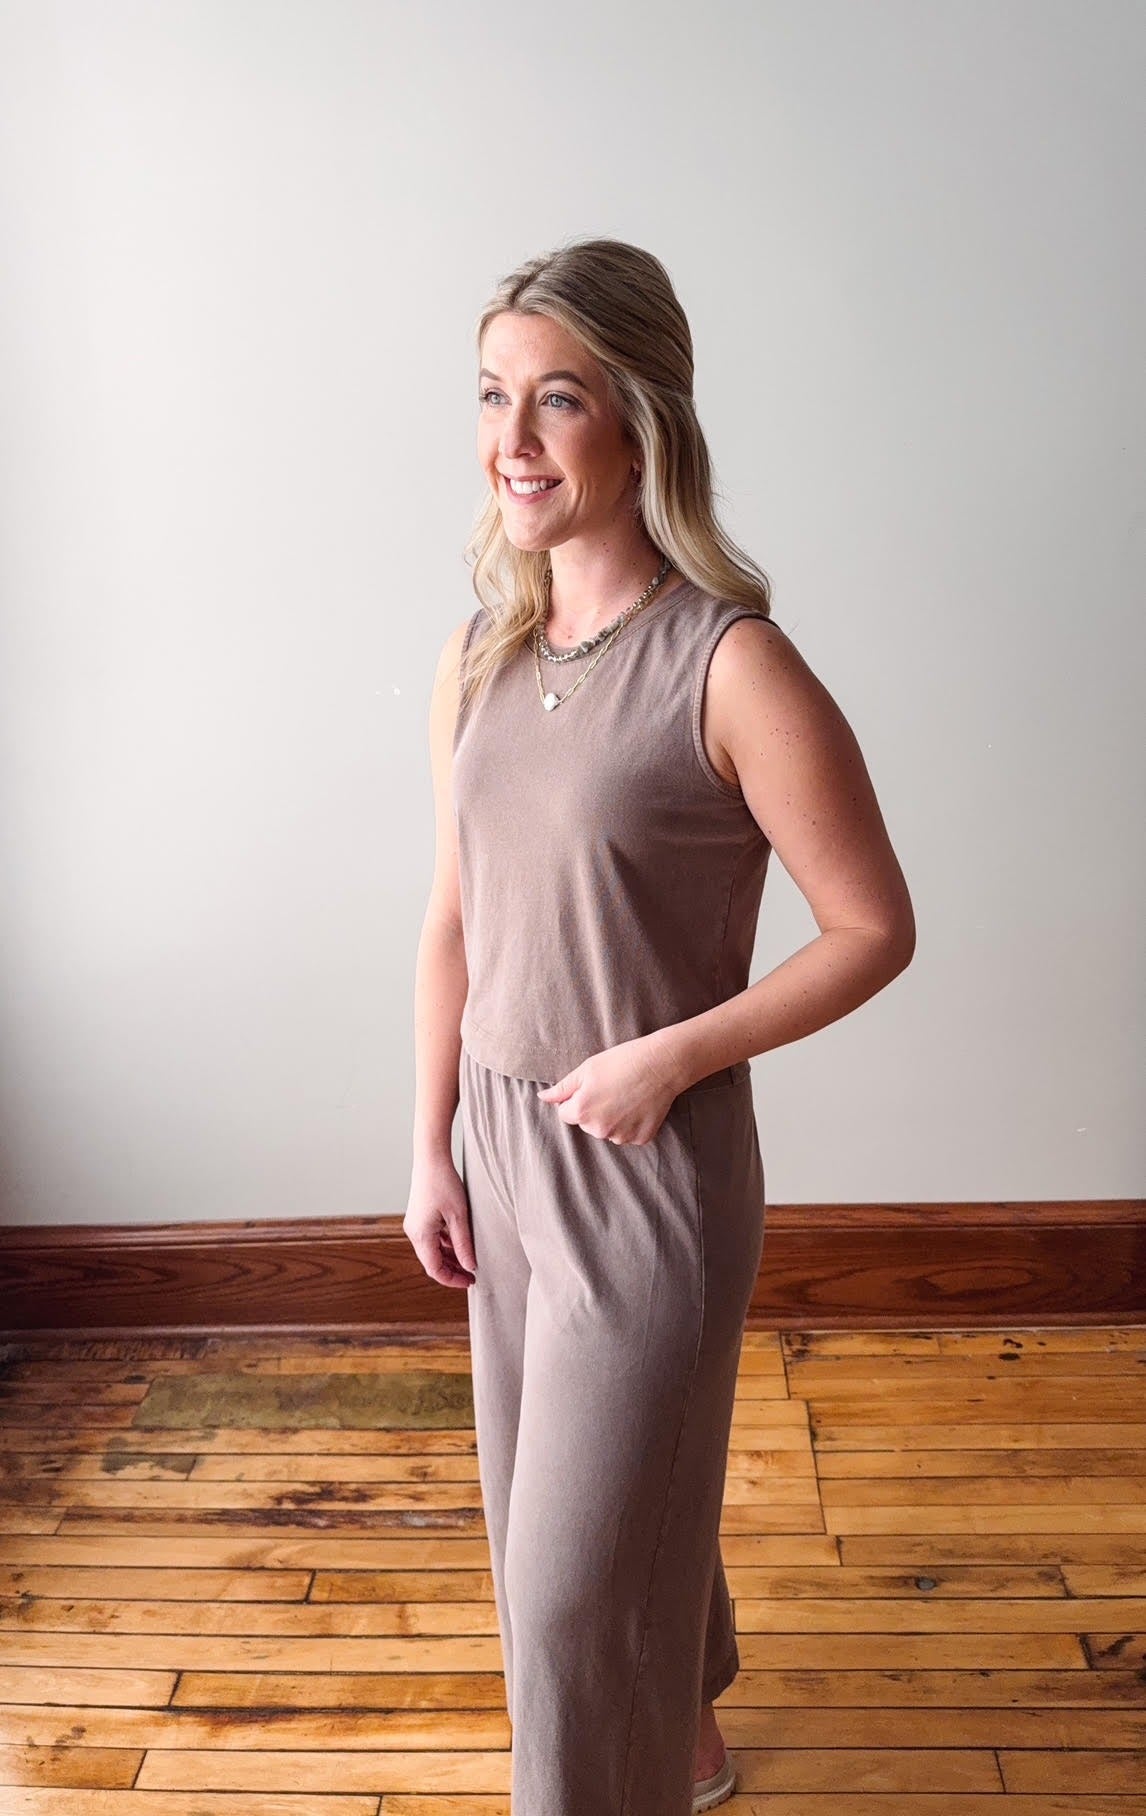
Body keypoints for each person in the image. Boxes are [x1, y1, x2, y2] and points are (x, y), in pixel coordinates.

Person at [405, 237, 916, 1816]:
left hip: (645, 1163)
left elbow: (872, 930)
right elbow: (453, 918)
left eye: (557, 400)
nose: (513, 438)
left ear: (638, 423)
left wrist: (671, 1056)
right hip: (500, 1148)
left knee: (560, 1598)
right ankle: (687, 1744)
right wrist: (425, 1143)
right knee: (555, 1520)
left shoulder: (734, 665)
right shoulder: (481, 656)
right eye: (494, 395)